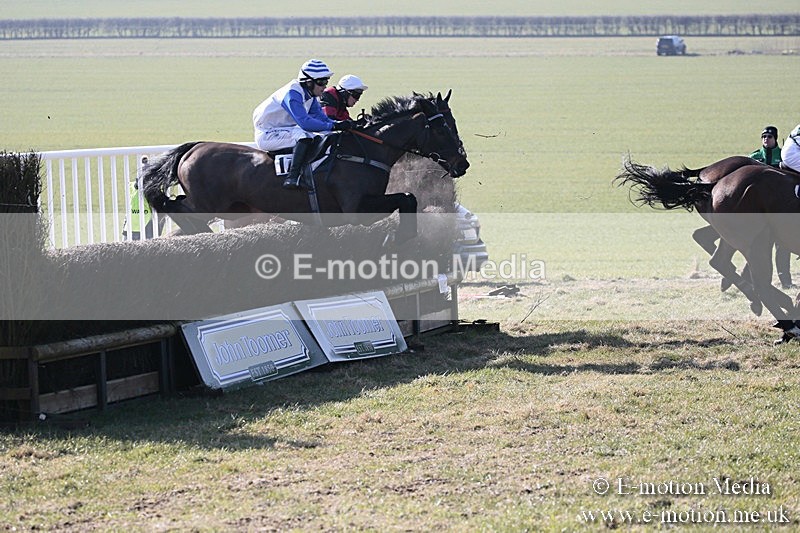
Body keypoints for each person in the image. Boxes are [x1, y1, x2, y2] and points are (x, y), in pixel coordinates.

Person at [252, 59, 355, 189]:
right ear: (308, 82)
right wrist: (334, 126)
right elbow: (305, 123)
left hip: (283, 129)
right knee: (304, 135)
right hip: (267, 134)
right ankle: (292, 178)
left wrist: (341, 124)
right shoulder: (292, 93)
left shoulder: (310, 95)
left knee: (320, 136)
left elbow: (321, 118)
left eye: (326, 82)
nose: (324, 86)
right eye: (321, 82)